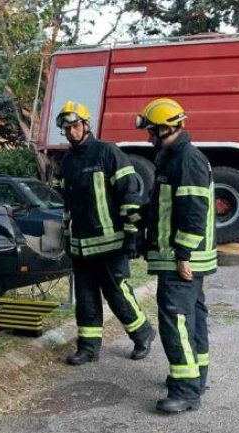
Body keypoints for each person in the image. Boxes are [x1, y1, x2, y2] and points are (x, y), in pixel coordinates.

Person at [57, 100, 155, 366]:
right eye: (66, 129)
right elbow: (65, 205)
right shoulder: (67, 162)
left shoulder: (107, 153)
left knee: (118, 294)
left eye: (75, 126)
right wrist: (66, 239)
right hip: (81, 246)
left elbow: (130, 195)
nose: (71, 132)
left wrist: (132, 236)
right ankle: (88, 348)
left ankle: (143, 334)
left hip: (111, 244)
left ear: (86, 125)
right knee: (85, 299)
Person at [136, 97, 215, 413]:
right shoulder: (173, 157)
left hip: (180, 259)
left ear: (166, 128)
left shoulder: (186, 160)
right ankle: (196, 377)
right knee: (192, 318)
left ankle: (185, 391)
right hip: (183, 256)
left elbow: (193, 211)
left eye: (151, 130)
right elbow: (165, 208)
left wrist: (183, 254)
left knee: (177, 321)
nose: (148, 136)